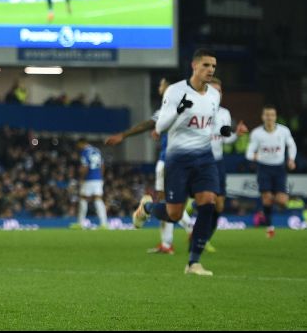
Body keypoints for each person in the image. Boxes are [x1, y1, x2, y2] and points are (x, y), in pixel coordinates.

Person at [132, 48, 229, 276]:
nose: (210, 70)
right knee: (174, 214)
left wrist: (222, 130)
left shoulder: (214, 96)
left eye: (213, 66)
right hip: (178, 160)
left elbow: (208, 126)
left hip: (205, 158)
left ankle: (193, 262)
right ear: (194, 66)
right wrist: (179, 111)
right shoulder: (175, 91)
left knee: (208, 202)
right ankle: (147, 208)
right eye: (206, 65)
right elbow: (160, 126)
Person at [105, 77, 192, 254]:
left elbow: (148, 124)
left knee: (169, 203)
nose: (159, 87)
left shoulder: (173, 106)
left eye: (161, 84)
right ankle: (167, 244)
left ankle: (188, 228)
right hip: (184, 160)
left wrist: (123, 135)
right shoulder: (188, 106)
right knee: (170, 201)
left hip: (172, 160)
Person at [206, 77, 248, 249]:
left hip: (217, 163)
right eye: (213, 90)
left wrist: (237, 134)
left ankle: (204, 238)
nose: (217, 94)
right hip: (199, 161)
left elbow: (226, 139)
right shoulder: (197, 112)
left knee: (219, 205)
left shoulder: (225, 114)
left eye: (219, 91)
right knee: (206, 199)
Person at [245, 104, 297, 239]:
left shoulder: (283, 131)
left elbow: (291, 145)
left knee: (282, 201)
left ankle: (270, 202)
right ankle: (269, 227)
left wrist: (291, 159)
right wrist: (257, 156)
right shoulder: (256, 133)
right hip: (264, 168)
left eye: (272, 115)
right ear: (263, 117)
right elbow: (249, 153)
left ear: (275, 116)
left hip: (279, 168)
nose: (269, 117)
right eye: (267, 115)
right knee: (267, 199)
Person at [72, 137, 108, 229]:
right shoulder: (97, 150)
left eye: (78, 144)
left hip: (89, 179)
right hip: (98, 178)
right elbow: (102, 165)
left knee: (83, 198)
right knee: (98, 199)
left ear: (81, 143)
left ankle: (80, 223)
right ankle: (104, 224)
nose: (78, 147)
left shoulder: (85, 152)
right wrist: (101, 177)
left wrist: (82, 178)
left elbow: (85, 167)